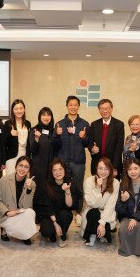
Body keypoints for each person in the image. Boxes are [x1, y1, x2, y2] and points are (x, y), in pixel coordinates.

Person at [53, 96, 90, 225]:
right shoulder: (59, 124)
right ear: (67, 106)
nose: (73, 107)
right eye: (70, 105)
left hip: (78, 162)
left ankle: (78, 213)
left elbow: (87, 144)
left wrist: (84, 137)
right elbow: (55, 145)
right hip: (63, 162)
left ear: (78, 106)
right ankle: (64, 211)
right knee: (62, 187)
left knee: (78, 188)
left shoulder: (84, 124)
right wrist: (57, 135)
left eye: (75, 105)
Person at [0, 156, 36, 245]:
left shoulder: (32, 184)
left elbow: (27, 206)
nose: (22, 169)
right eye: (20, 165)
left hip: (19, 212)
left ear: (29, 170)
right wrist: (7, 212)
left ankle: (24, 235)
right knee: (13, 227)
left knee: (30, 212)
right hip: (7, 214)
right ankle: (4, 229)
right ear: (16, 166)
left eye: (26, 167)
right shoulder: (4, 180)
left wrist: (28, 189)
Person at [39, 159, 82, 247]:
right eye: (54, 170)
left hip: (63, 214)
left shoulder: (71, 183)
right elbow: (47, 207)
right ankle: (53, 233)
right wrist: (55, 223)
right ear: (51, 172)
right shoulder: (47, 185)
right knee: (46, 232)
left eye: (60, 169)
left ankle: (63, 235)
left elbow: (70, 205)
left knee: (65, 215)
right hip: (50, 215)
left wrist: (67, 191)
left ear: (64, 170)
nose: (58, 172)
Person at [81, 157, 120, 246]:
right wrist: (98, 188)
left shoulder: (115, 183)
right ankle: (93, 234)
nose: (103, 172)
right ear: (96, 169)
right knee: (94, 213)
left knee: (104, 222)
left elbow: (111, 205)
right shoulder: (89, 181)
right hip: (92, 210)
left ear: (110, 170)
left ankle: (100, 231)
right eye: (100, 168)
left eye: (106, 169)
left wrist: (102, 223)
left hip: (106, 212)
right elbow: (93, 204)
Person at [29, 107, 57, 223]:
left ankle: (48, 214)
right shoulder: (34, 129)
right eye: (43, 115)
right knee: (38, 189)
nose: (46, 117)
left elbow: (57, 147)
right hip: (38, 165)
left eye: (48, 115)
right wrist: (36, 138)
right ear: (40, 117)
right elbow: (31, 149)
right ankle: (37, 215)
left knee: (49, 189)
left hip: (50, 164)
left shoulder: (54, 130)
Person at [89, 99, 125, 178]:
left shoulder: (119, 125)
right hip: (97, 165)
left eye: (107, 108)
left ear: (111, 109)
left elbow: (119, 148)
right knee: (97, 188)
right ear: (99, 110)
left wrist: (114, 167)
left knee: (112, 189)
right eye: (102, 108)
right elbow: (90, 143)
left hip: (112, 164)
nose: (104, 111)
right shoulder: (94, 124)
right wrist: (92, 149)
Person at [4, 99, 31, 175]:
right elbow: (4, 142)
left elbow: (29, 141)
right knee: (11, 179)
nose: (19, 111)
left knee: (22, 179)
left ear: (24, 109)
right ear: (13, 110)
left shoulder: (28, 123)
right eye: (16, 109)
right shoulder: (8, 124)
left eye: (21, 108)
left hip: (24, 155)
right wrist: (10, 135)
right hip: (12, 156)